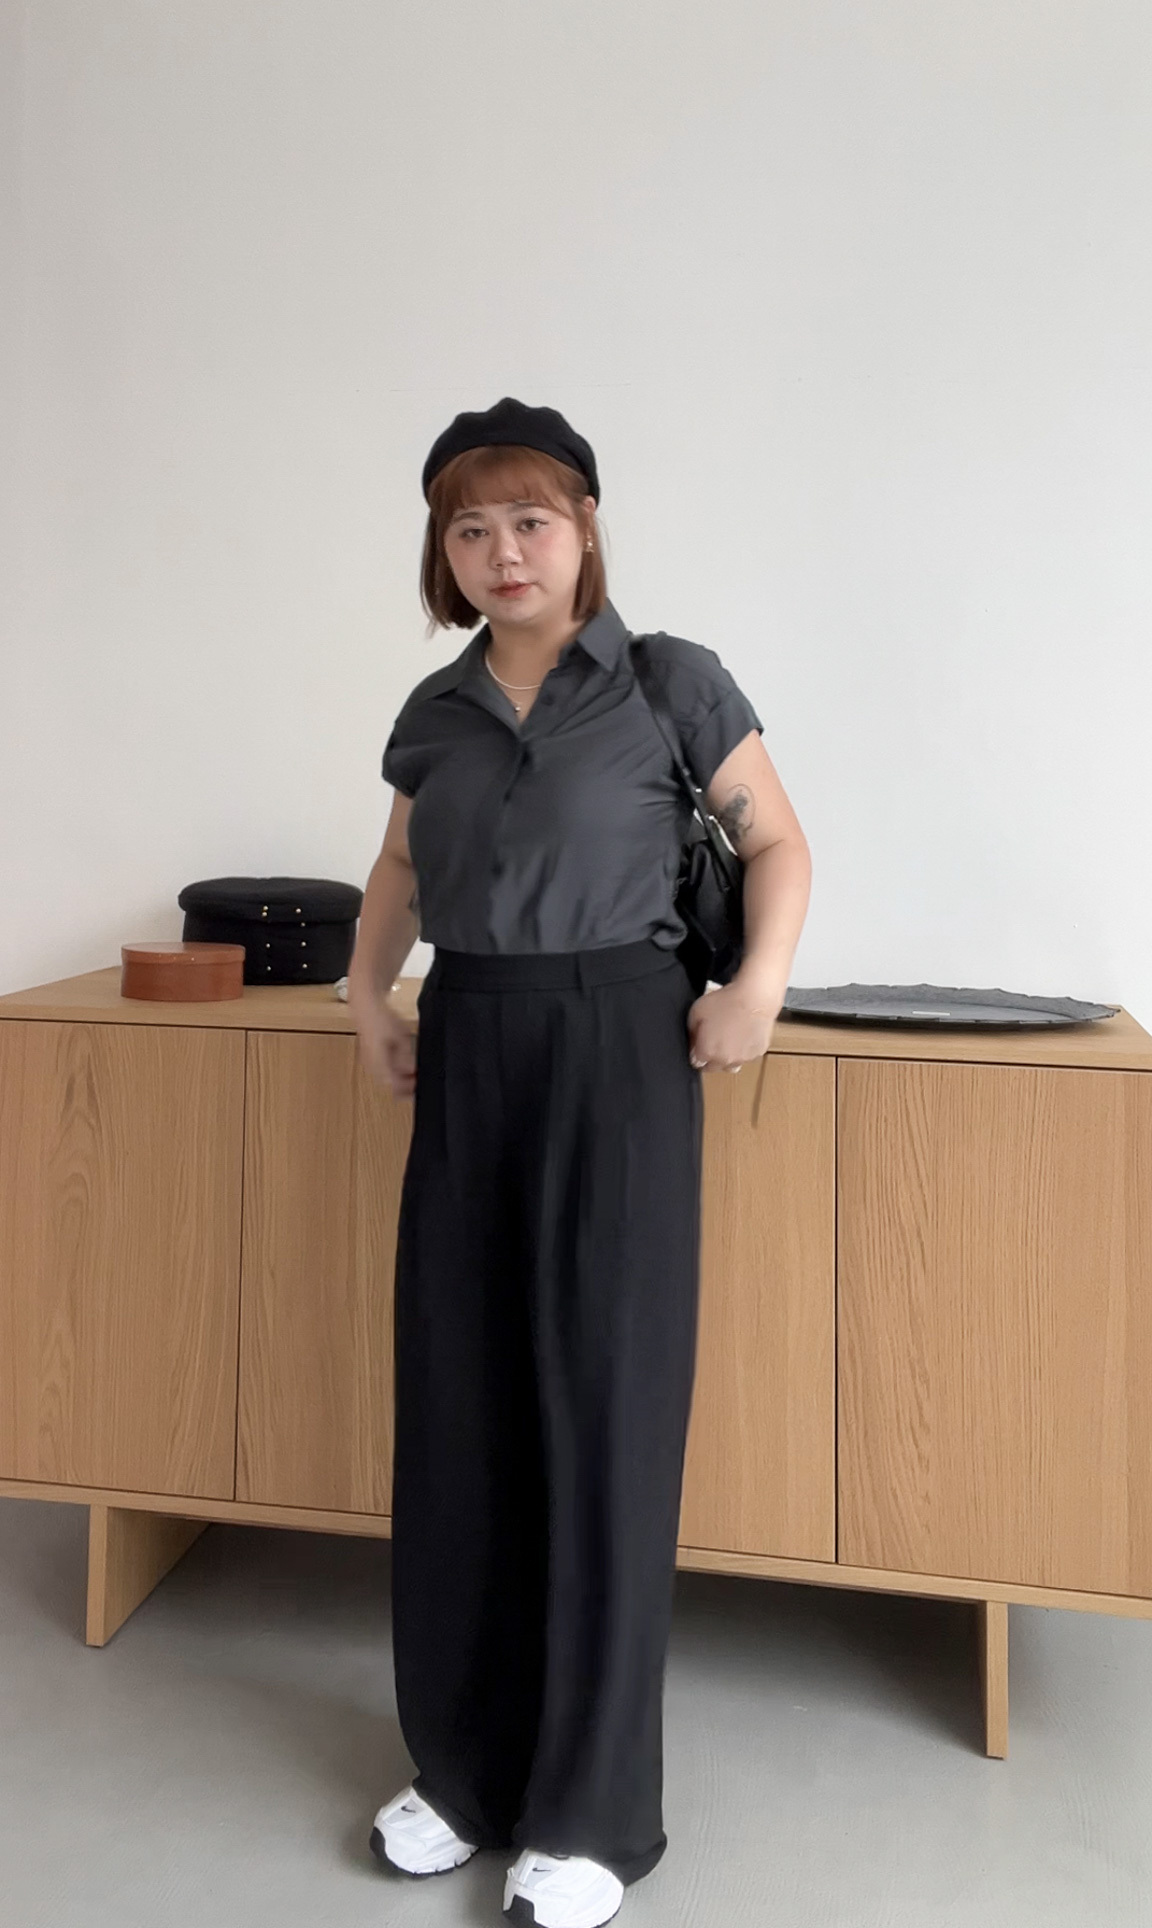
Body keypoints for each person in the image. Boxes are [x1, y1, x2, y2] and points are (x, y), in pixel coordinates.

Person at [346, 396, 812, 1928]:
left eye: (531, 520)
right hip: (472, 1039)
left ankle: (593, 1812)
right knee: (460, 1403)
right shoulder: (437, 710)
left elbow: (776, 844)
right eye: (470, 527)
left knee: (605, 1410)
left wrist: (756, 988)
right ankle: (464, 1775)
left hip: (620, 1044)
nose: (503, 551)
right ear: (444, 550)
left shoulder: (669, 682)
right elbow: (401, 866)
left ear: (585, 529)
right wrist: (368, 994)